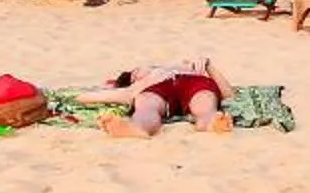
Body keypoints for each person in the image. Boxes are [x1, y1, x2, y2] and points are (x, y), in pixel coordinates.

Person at [77, 58, 235, 137]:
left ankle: (211, 123)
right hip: (155, 90)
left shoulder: (186, 68)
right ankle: (136, 128)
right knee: (146, 106)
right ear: (134, 79)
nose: (145, 68)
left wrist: (208, 65)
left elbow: (228, 93)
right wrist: (112, 88)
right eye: (136, 71)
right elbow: (84, 97)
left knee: (205, 101)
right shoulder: (136, 88)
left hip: (193, 82)